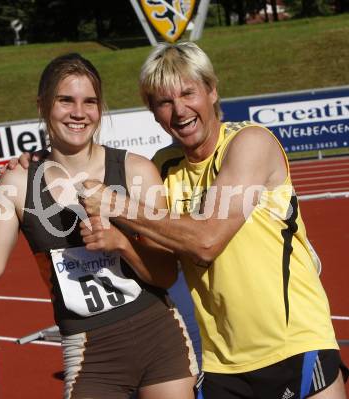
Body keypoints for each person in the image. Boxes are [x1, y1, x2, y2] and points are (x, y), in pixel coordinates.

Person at [74, 42, 348, 399]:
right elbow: (163, 271)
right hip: (220, 363)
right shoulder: (162, 167)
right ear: (153, 112)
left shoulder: (249, 143)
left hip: (294, 346)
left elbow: (206, 242)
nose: (180, 110)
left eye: (188, 93)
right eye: (164, 102)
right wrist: (35, 162)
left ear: (212, 91)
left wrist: (115, 204)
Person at [0, 53, 198, 399]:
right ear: (42, 105)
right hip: (90, 353)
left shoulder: (136, 171)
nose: (79, 113)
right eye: (65, 100)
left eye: (90, 102)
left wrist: (121, 243)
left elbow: (165, 275)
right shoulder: (19, 181)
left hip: (158, 339)